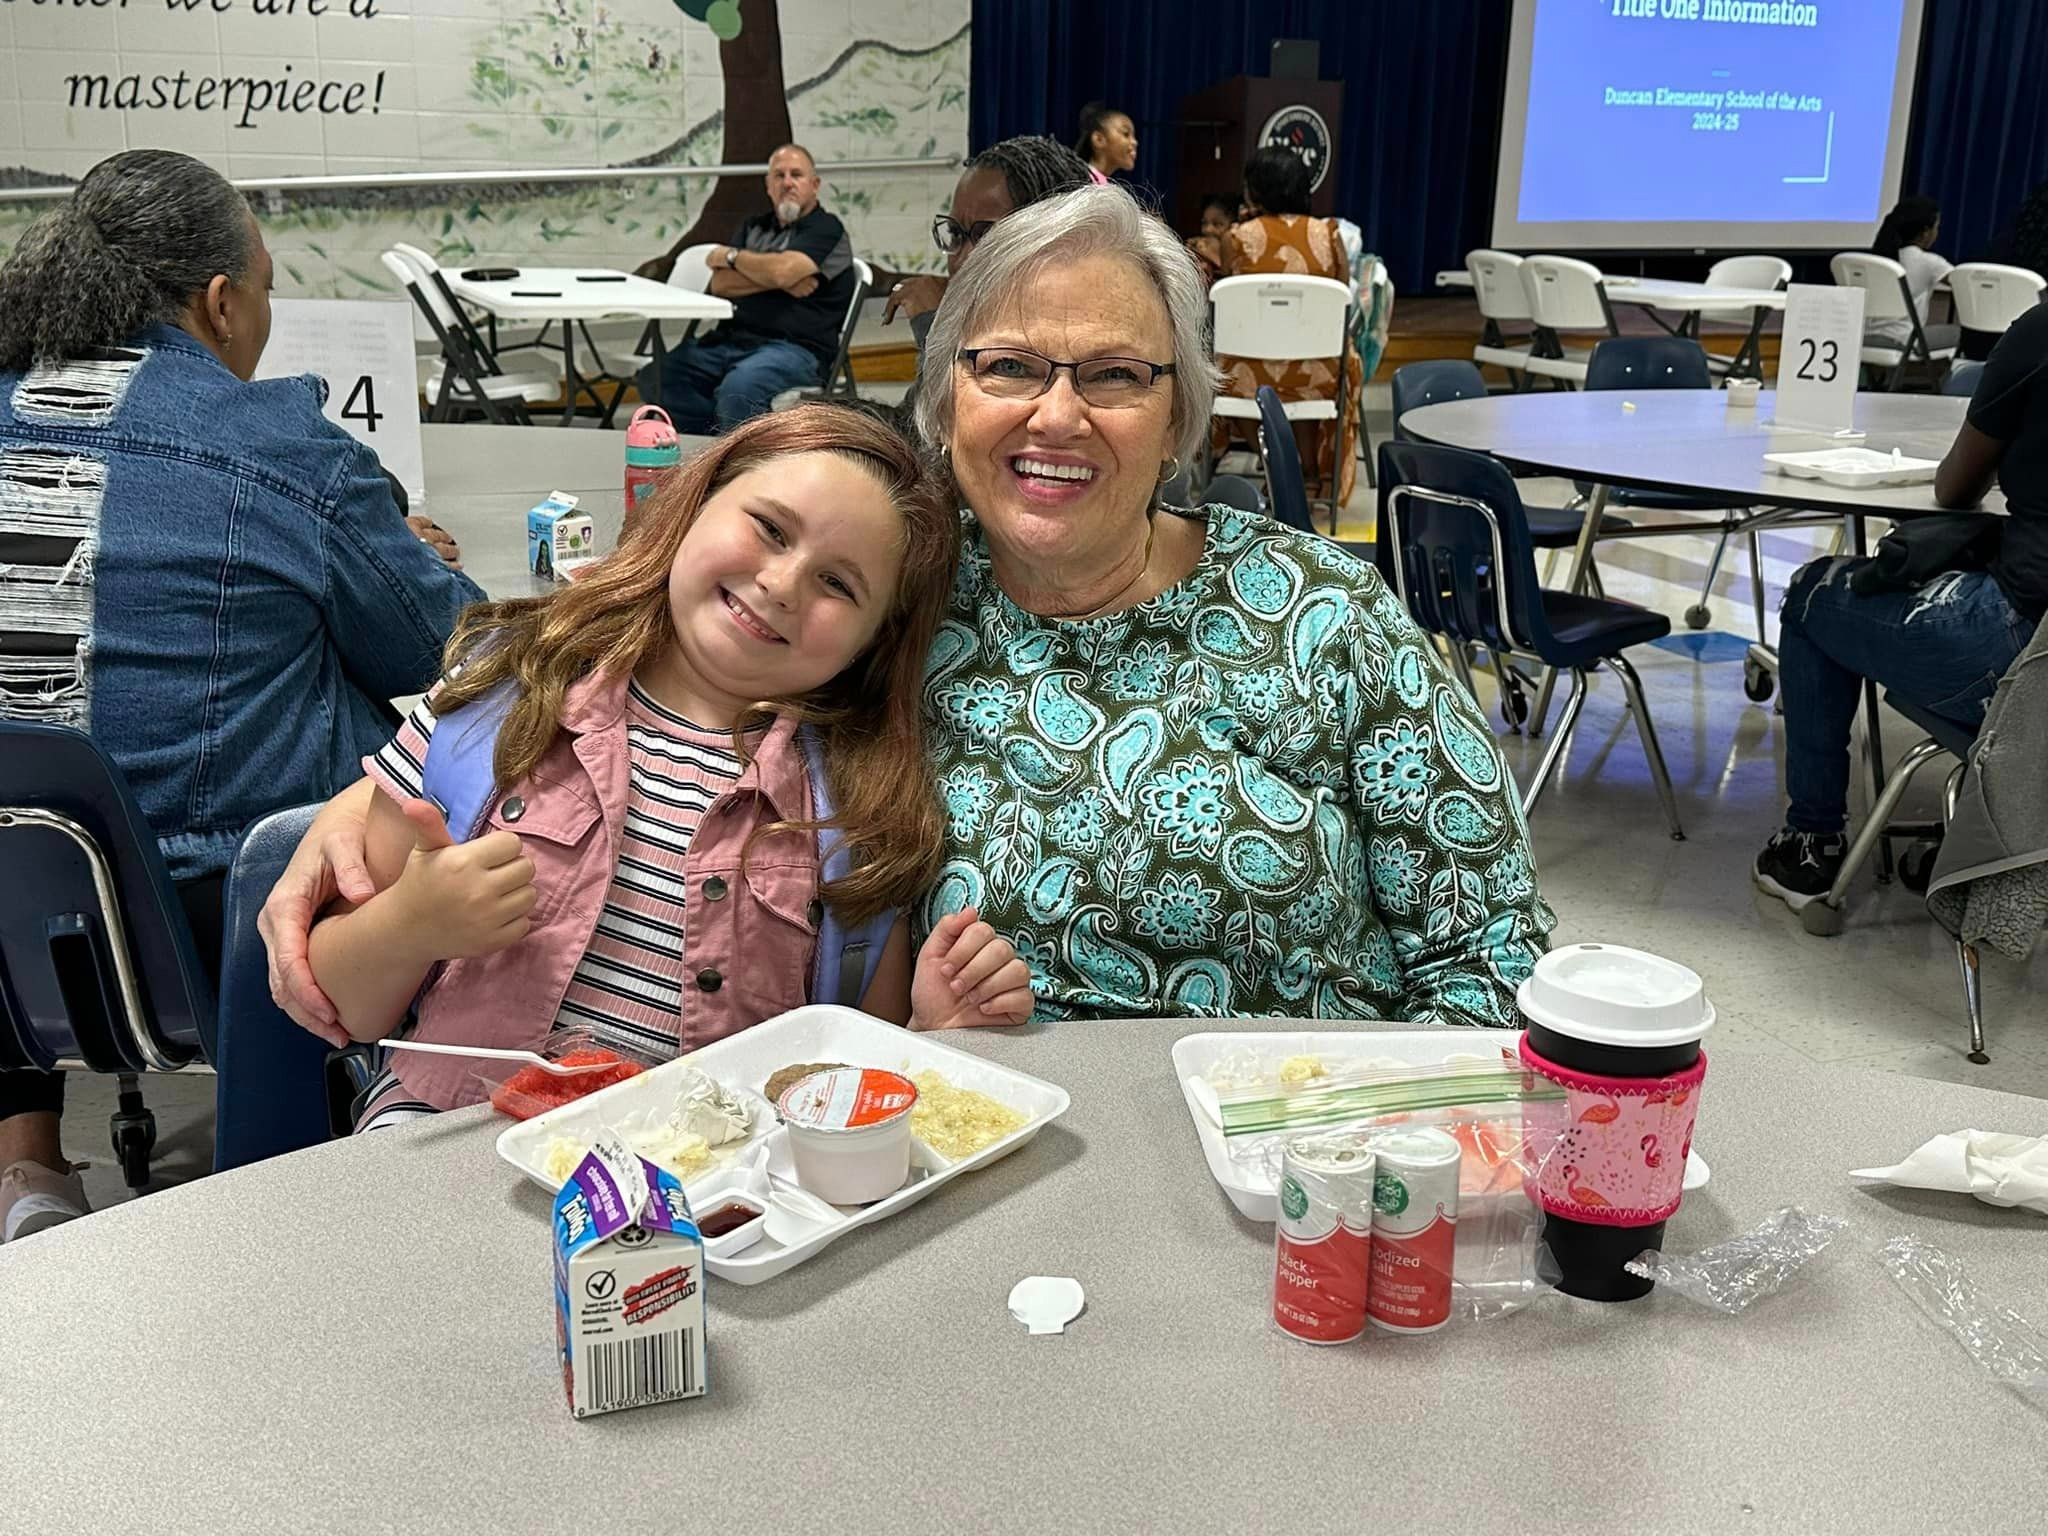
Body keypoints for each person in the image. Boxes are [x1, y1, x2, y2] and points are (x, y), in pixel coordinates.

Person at [262, 185, 1555, 1037]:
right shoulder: (888, 613)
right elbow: (634, 677)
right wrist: (363, 806)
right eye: (1008, 367)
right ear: (947, 401)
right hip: (980, 1165)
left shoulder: (1324, 618)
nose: (1056, 413)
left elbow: (1493, 957)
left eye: (1114, 374)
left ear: (1183, 412)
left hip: (1304, 1168)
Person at [295, 406, 1032, 1127]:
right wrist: (409, 925)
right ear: (695, 500)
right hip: (447, 1140)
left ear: (877, 638)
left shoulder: (856, 812)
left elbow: (852, 1076)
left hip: (717, 1195)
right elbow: (345, 1005)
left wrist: (932, 1037)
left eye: (839, 585)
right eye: (770, 529)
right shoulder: (500, 697)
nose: (782, 583)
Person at [0, 150, 480, 1239]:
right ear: (222, 303)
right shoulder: (278, 448)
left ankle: (27, 1173)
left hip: (13, 954)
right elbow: (444, 643)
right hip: (225, 944)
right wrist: (377, 551)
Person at [1753, 298, 2048, 910]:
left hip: (2021, 648)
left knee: (1813, 594)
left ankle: (1810, 845)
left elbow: (1955, 486)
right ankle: (1968, 837)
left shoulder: (2040, 334)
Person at [634, 145, 857, 434]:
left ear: (814, 185)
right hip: (733, 338)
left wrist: (733, 258)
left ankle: (739, 462)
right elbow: (721, 284)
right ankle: (712, 447)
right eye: (779, 175)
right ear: (768, 186)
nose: (787, 182)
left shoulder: (827, 229)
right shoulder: (754, 227)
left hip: (797, 347)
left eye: (796, 175)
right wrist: (777, 277)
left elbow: (782, 271)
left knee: (739, 391)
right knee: (656, 377)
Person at [1209, 147, 1367, 507]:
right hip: (1319, 371)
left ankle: (1277, 467)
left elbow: (1227, 302)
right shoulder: (1329, 234)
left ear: (1254, 190)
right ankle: (1309, 474)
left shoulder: (1236, 237)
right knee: (1308, 363)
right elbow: (1342, 300)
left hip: (1247, 373)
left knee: (1228, 374)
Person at [881, 136, 1092, 352]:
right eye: (955, 234)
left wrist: (931, 328)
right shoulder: (986, 331)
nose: (962, 260)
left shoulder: (1074, 343)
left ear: (1053, 238)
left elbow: (958, 386)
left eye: (986, 237)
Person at [1868, 195, 1958, 356]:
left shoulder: (1876, 260)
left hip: (1865, 337)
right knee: (1959, 334)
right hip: (1905, 339)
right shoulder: (1929, 262)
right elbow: (1964, 284)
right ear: (1925, 232)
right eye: (1936, 227)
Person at [1074, 102, 1138, 184]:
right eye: (1126, 134)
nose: (1134, 142)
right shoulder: (1083, 183)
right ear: (1099, 139)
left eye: (1134, 136)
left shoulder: (1101, 184)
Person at [1184, 194, 1239, 283]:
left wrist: (1213, 256)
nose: (1208, 230)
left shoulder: (1242, 257)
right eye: (1204, 223)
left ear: (1234, 226)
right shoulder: (1195, 251)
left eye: (1217, 224)